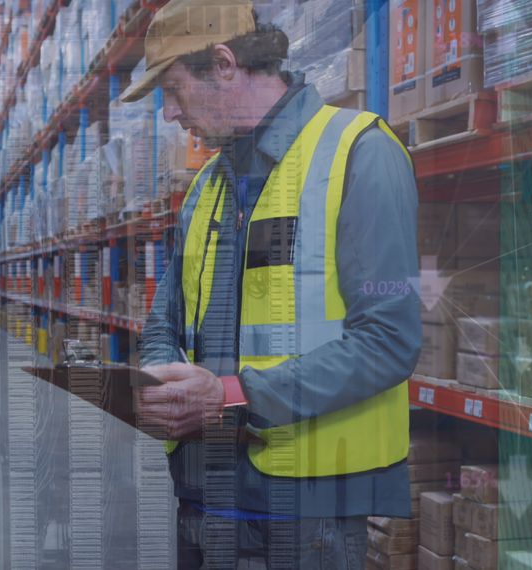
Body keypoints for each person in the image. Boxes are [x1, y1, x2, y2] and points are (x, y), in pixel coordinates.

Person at [124, 0, 421, 566]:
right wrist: (160, 381)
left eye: (174, 89)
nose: (168, 115)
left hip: (309, 511)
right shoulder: (205, 188)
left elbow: (389, 340)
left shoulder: (360, 154)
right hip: (204, 500)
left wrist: (231, 395)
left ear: (224, 63)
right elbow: (165, 319)